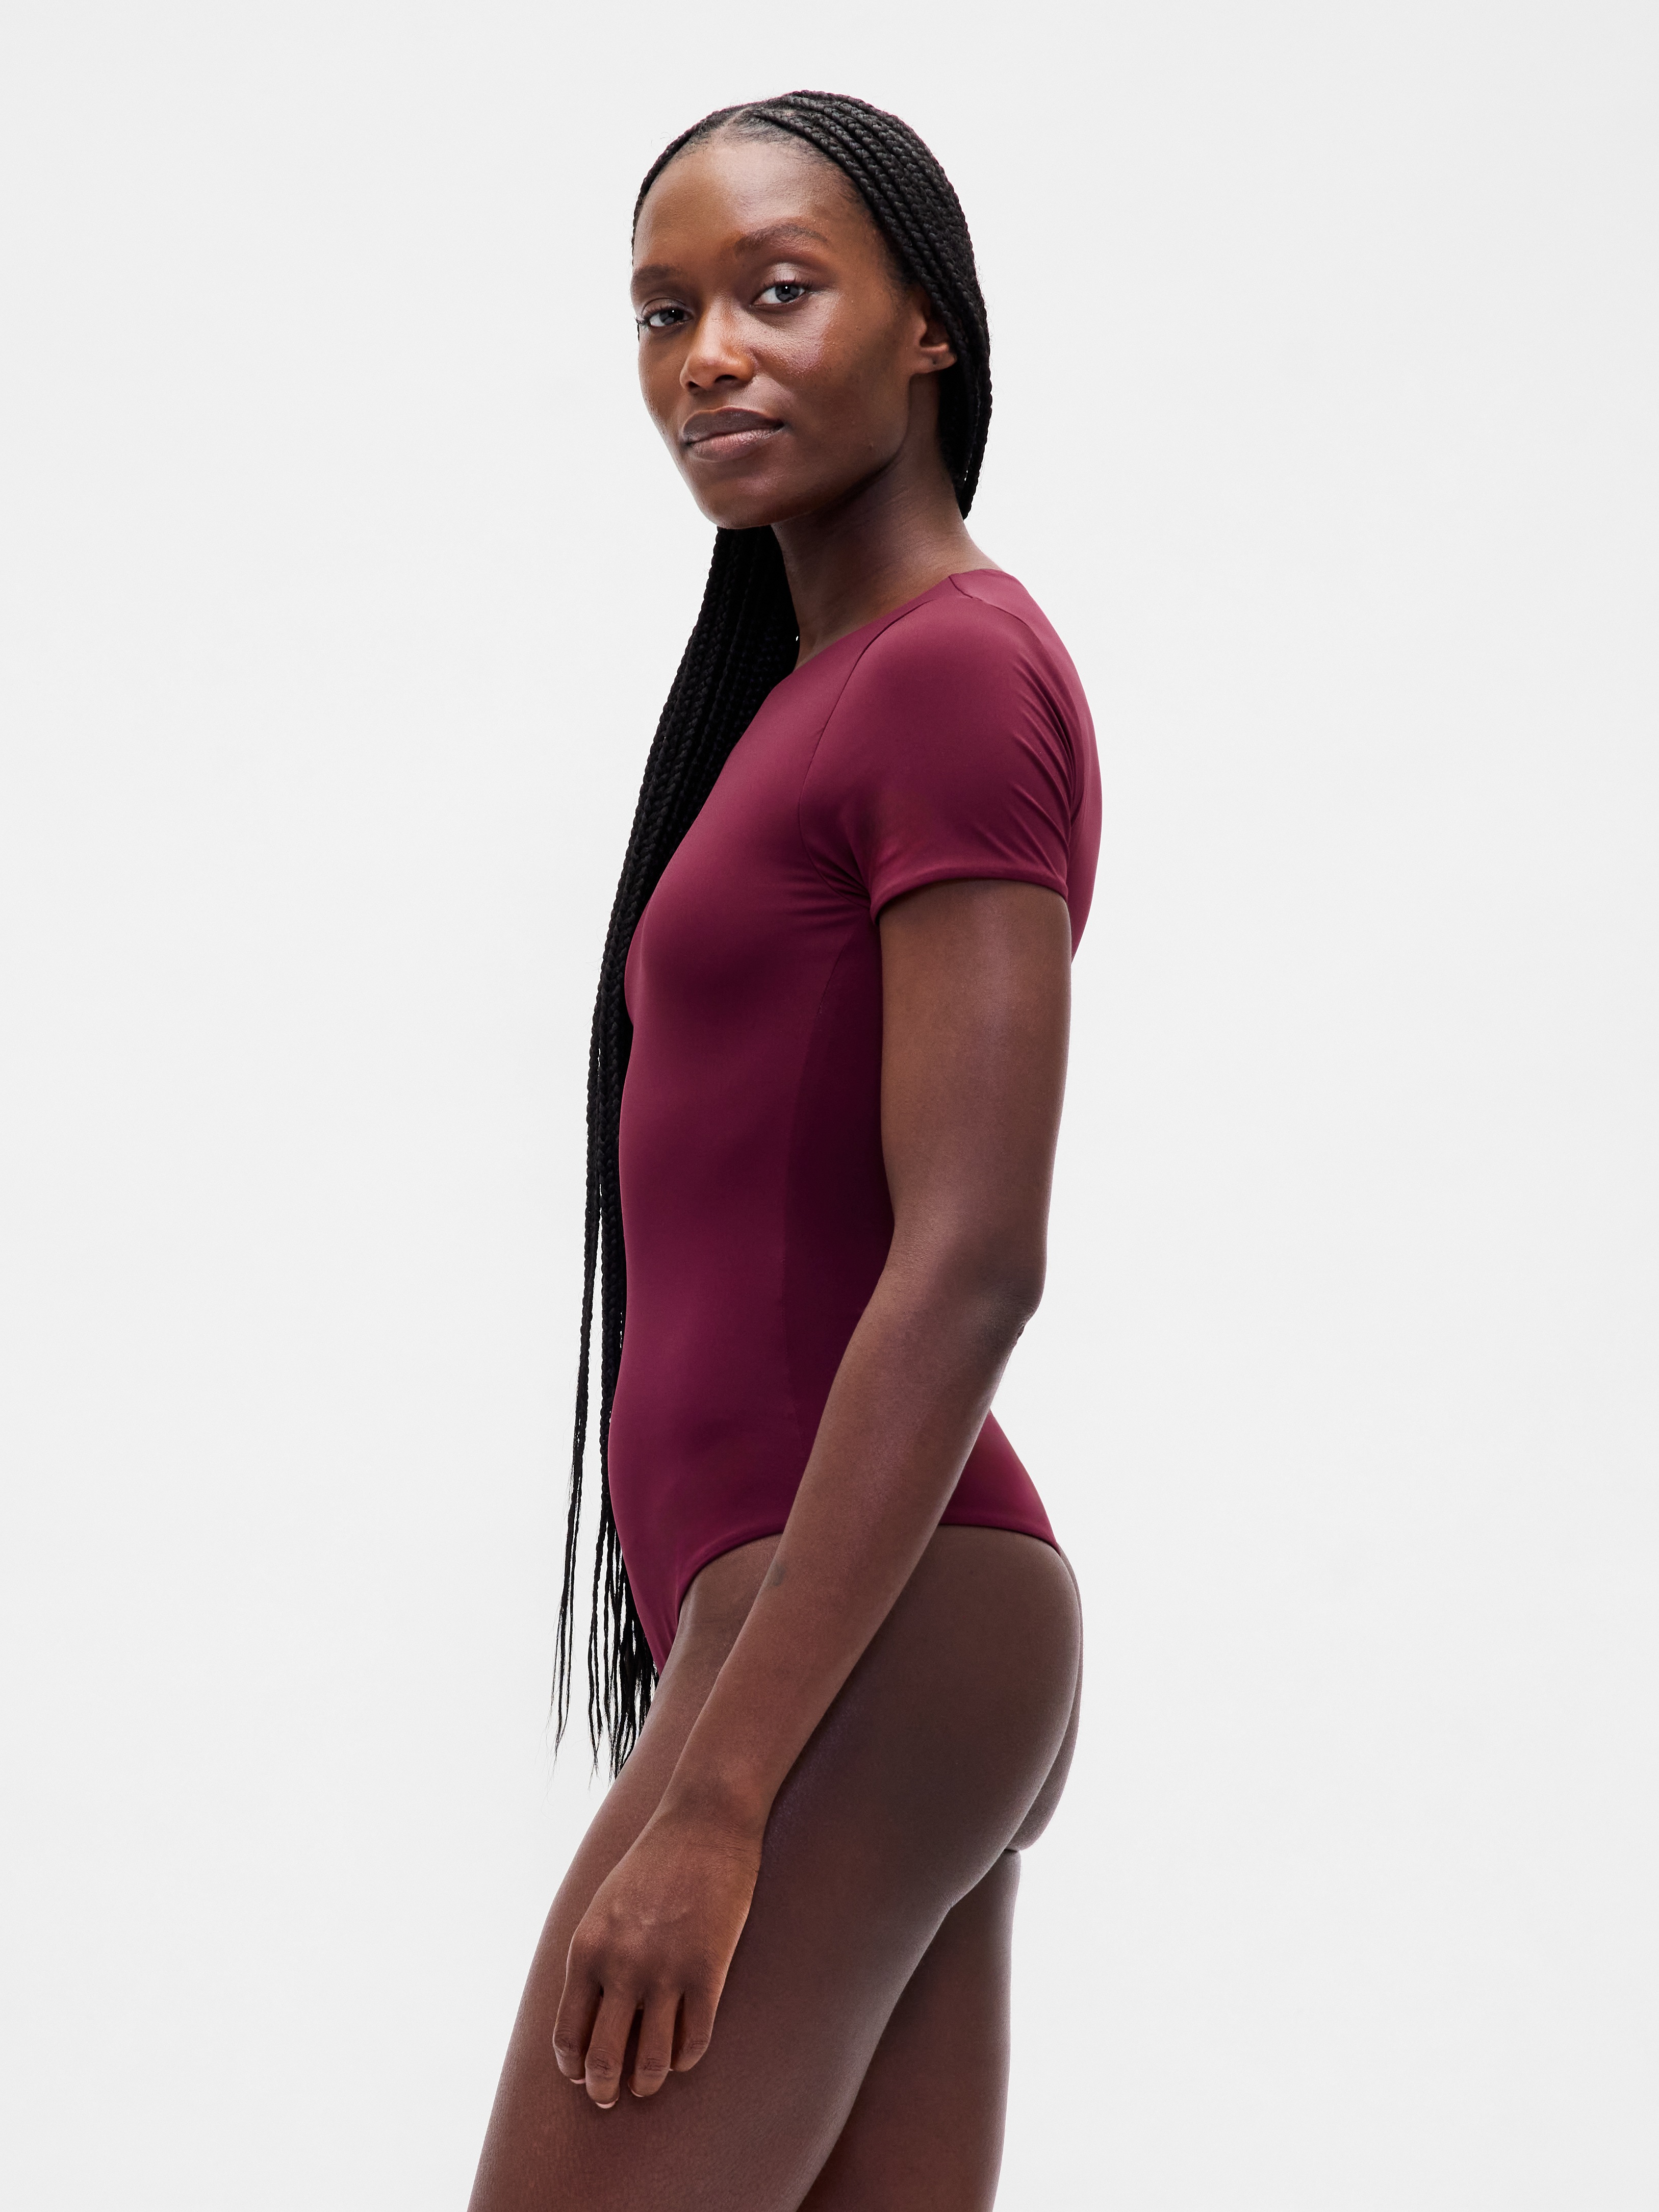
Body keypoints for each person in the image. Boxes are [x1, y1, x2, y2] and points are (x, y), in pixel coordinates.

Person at [468, 90, 1101, 2212]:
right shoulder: (813, 693)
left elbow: (975, 1255)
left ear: (928, 326)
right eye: (665, 313)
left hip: (855, 1630)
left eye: (777, 291)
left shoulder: (952, 673)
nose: (709, 356)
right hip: (878, 1628)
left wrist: (722, 1789)